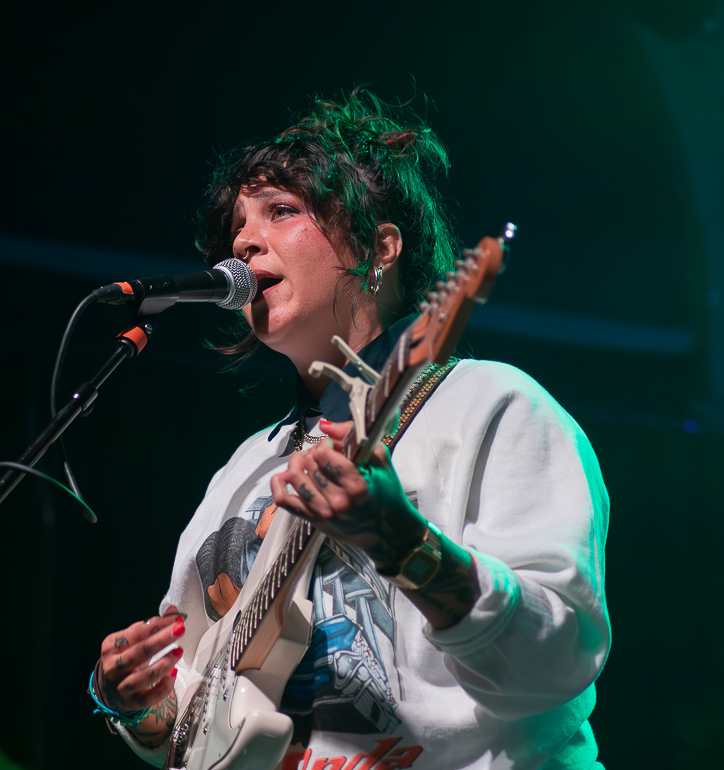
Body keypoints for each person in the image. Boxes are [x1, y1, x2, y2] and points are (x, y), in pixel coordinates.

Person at [88, 90, 610, 769]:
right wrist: (140, 704)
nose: (244, 240)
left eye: (281, 211)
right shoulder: (246, 466)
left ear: (379, 247)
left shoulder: (496, 405)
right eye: (238, 224)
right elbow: (203, 720)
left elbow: (557, 660)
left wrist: (404, 545)